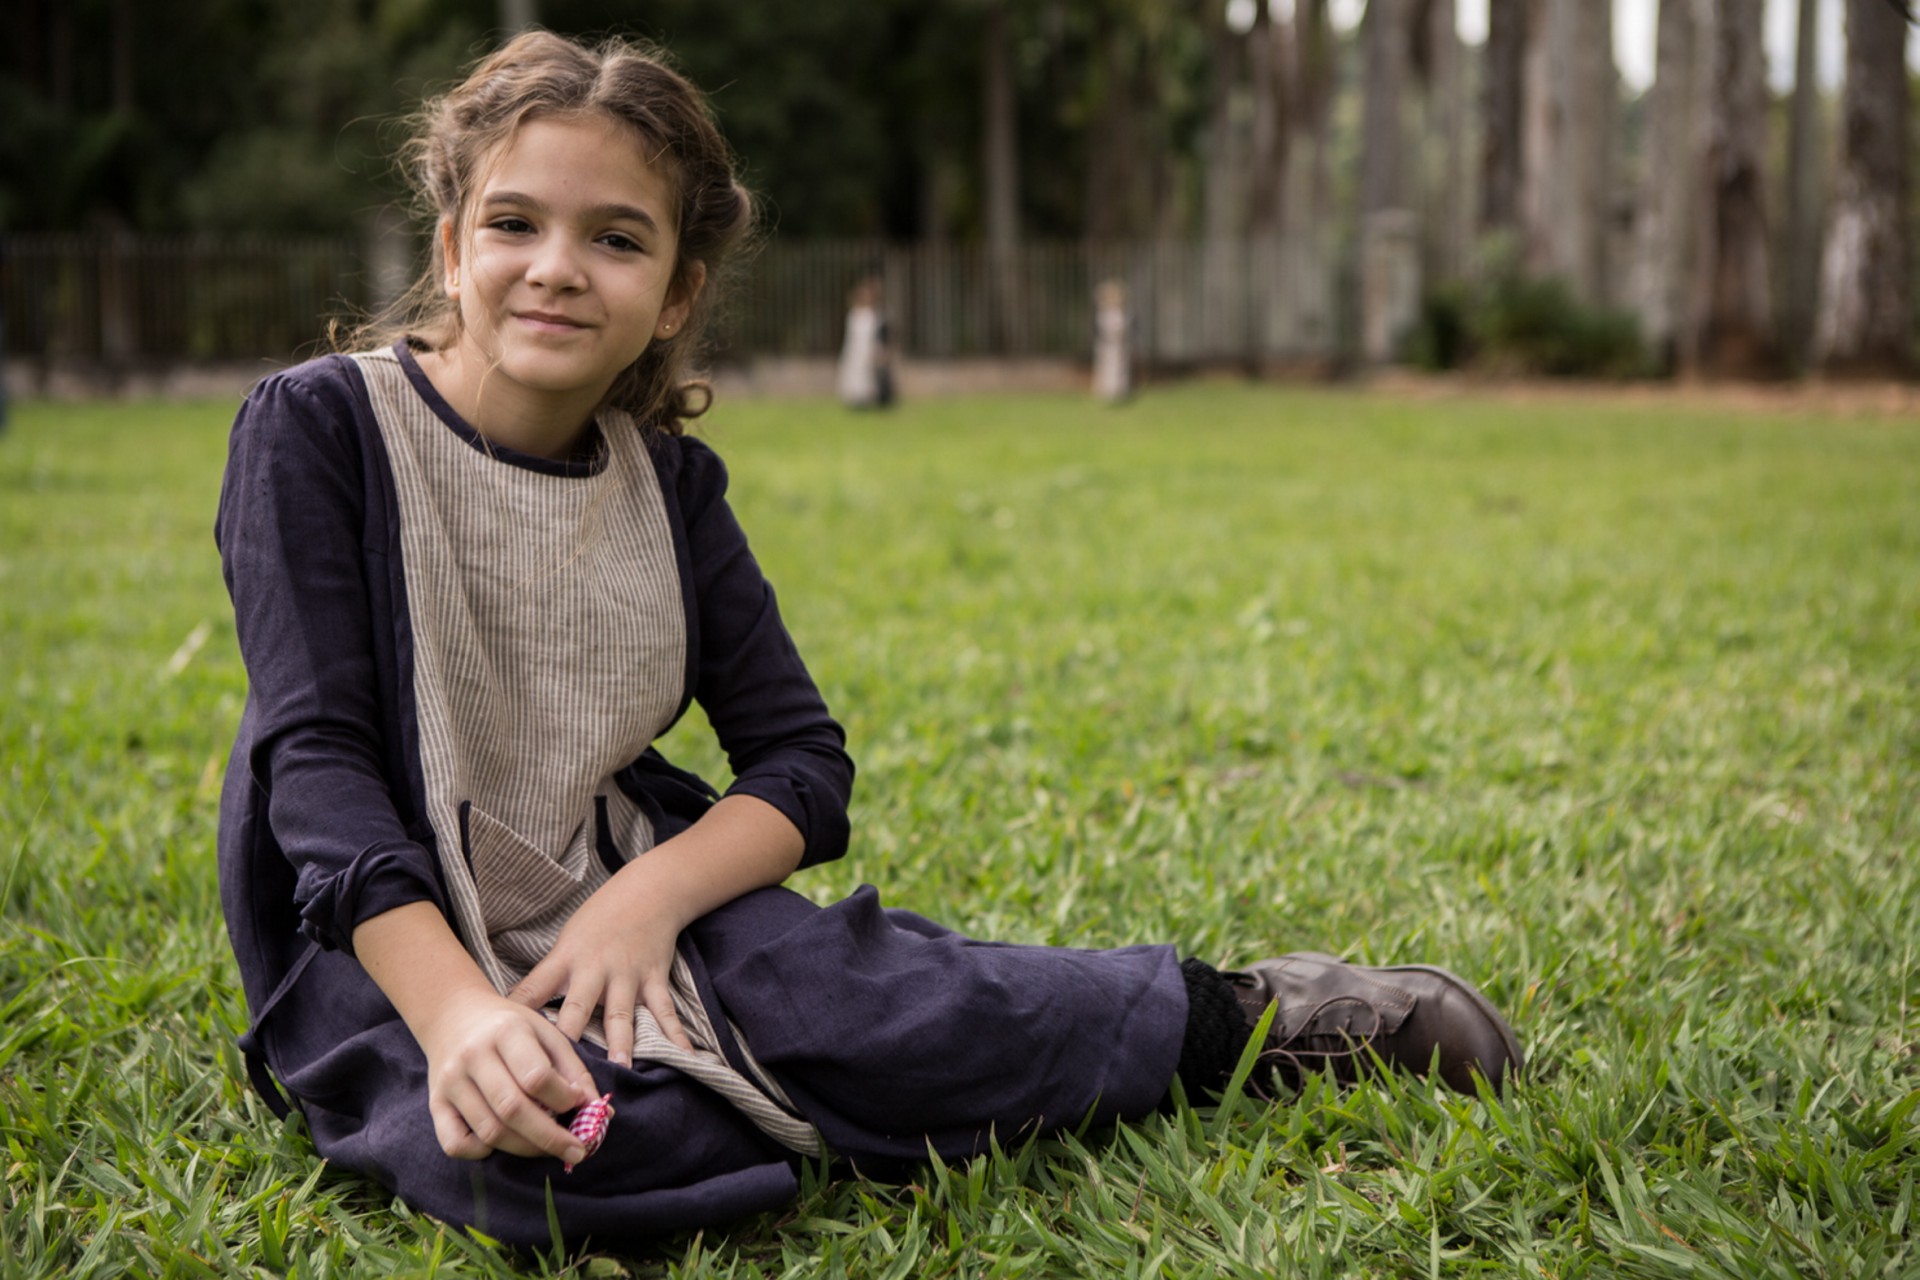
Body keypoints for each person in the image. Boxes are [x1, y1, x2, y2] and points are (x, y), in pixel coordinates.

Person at [214, 31, 1521, 1250]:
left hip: (620, 891)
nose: (557, 266)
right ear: (451, 249)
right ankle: (749, 1078)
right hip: (378, 950)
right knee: (578, 1158)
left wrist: (639, 906)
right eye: (515, 224)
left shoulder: (672, 490)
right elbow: (317, 769)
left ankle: (1254, 1019)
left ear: (676, 295)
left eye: (616, 238)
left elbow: (800, 766)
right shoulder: (321, 430)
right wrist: (457, 1020)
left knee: (878, 1004)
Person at [836, 276, 893, 408]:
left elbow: (879, 335)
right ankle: (855, 399)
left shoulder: (875, 315)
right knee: (854, 374)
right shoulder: (853, 314)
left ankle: (869, 399)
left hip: (868, 350)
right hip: (855, 350)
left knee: (868, 377)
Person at [1092, 277, 1132, 404]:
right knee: (1108, 367)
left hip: (1118, 344)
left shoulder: (1119, 313)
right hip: (1108, 344)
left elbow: (1122, 327)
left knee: (1119, 368)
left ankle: (1118, 391)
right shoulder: (1106, 313)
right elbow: (1108, 328)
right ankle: (1108, 391)